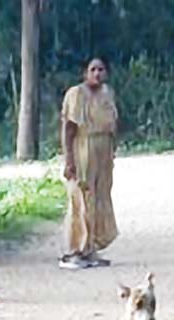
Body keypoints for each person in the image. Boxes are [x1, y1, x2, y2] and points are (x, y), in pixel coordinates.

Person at [59, 58, 120, 270]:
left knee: (99, 199)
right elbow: (69, 129)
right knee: (82, 199)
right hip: (82, 147)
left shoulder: (107, 93)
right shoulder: (76, 94)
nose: (97, 73)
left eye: (101, 69)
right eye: (93, 69)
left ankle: (91, 247)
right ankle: (74, 250)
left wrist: (113, 149)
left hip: (103, 149)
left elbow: (113, 123)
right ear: (85, 73)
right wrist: (69, 160)